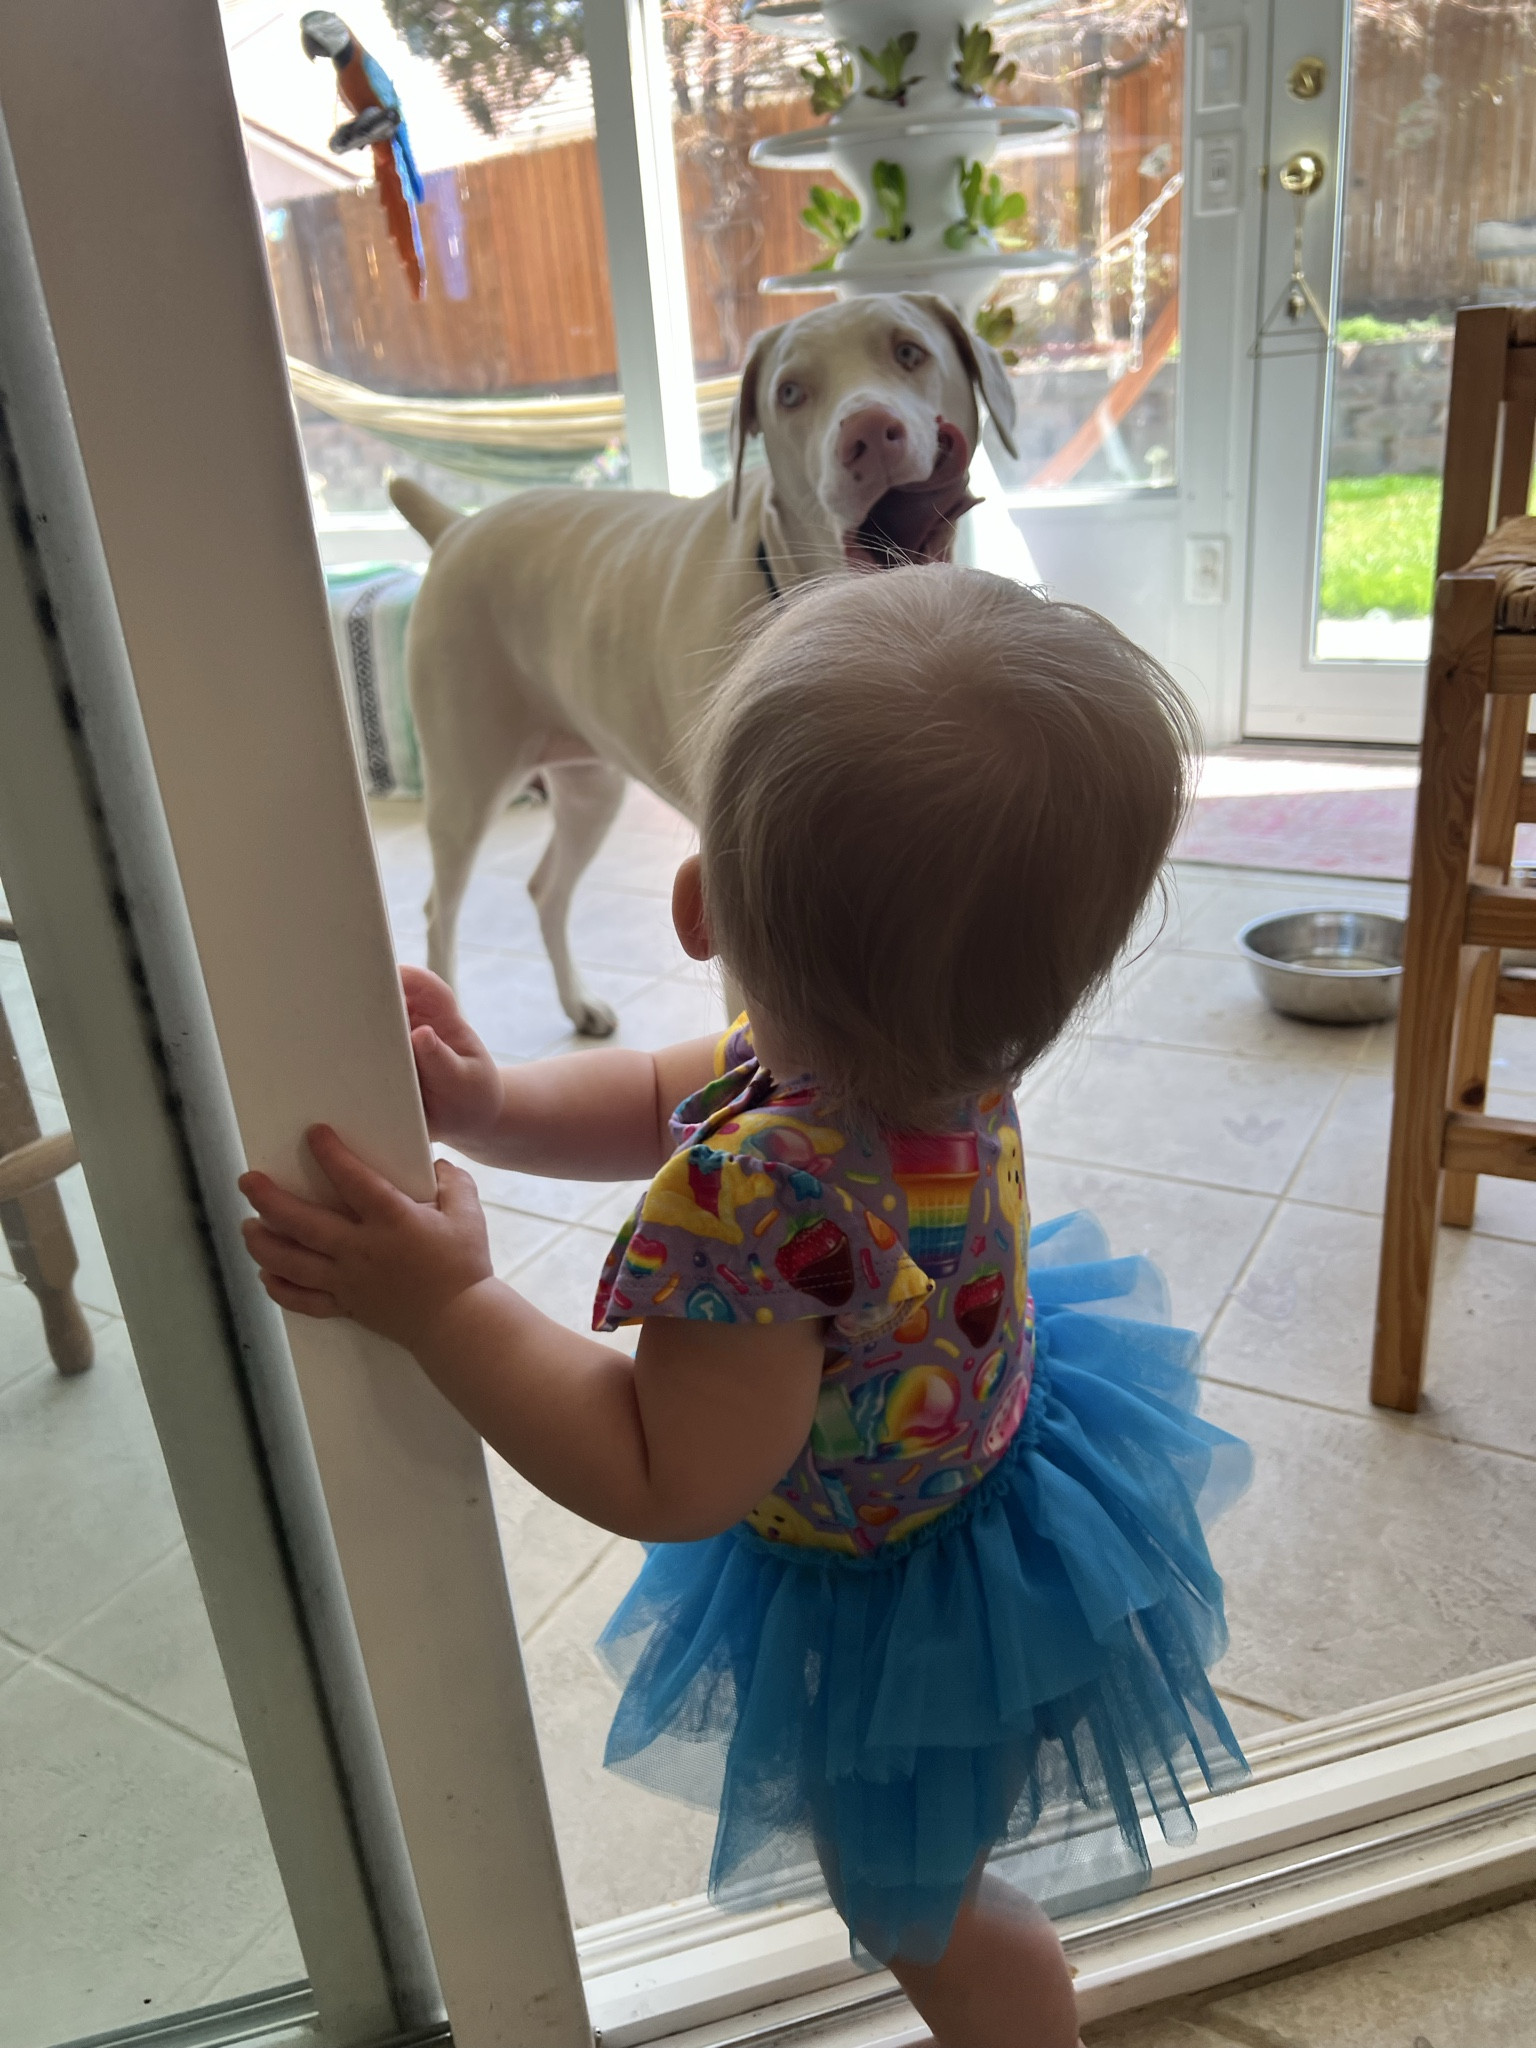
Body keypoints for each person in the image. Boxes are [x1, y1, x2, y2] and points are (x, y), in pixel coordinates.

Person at [239, 566, 1251, 2048]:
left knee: (921, 1908)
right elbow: (676, 1091)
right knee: (926, 1870)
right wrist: (494, 1103)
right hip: (1005, 1512)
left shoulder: (760, 1207)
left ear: (697, 899)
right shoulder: (947, 1035)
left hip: (894, 1592)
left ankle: (1018, 2015)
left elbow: (670, 1472)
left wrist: (447, 1303)